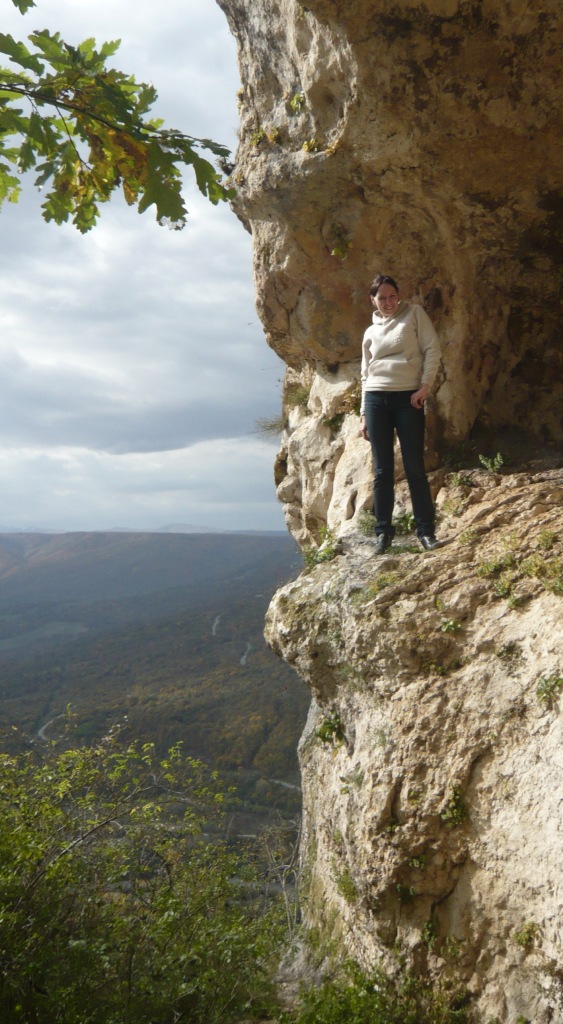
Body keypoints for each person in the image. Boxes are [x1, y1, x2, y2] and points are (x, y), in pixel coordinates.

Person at [359, 274, 441, 554]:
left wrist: (425, 387)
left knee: (414, 466)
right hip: (375, 399)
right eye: (382, 298)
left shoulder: (414, 314)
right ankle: (383, 534)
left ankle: (426, 532)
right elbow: (364, 374)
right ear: (373, 300)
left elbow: (432, 349)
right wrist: (363, 414)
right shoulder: (369, 332)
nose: (388, 302)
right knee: (382, 470)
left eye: (392, 296)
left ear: (398, 295)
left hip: (408, 398)